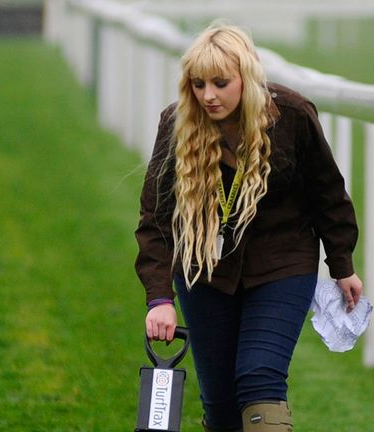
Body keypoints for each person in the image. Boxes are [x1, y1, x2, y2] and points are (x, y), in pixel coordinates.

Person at [134, 24, 363, 431]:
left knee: (260, 376)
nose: (208, 95)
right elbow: (155, 219)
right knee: (221, 407)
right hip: (203, 270)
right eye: (199, 84)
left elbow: (329, 193)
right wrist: (159, 298)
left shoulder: (292, 115)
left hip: (282, 265)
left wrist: (341, 264)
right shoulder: (177, 123)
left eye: (221, 83)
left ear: (247, 78)